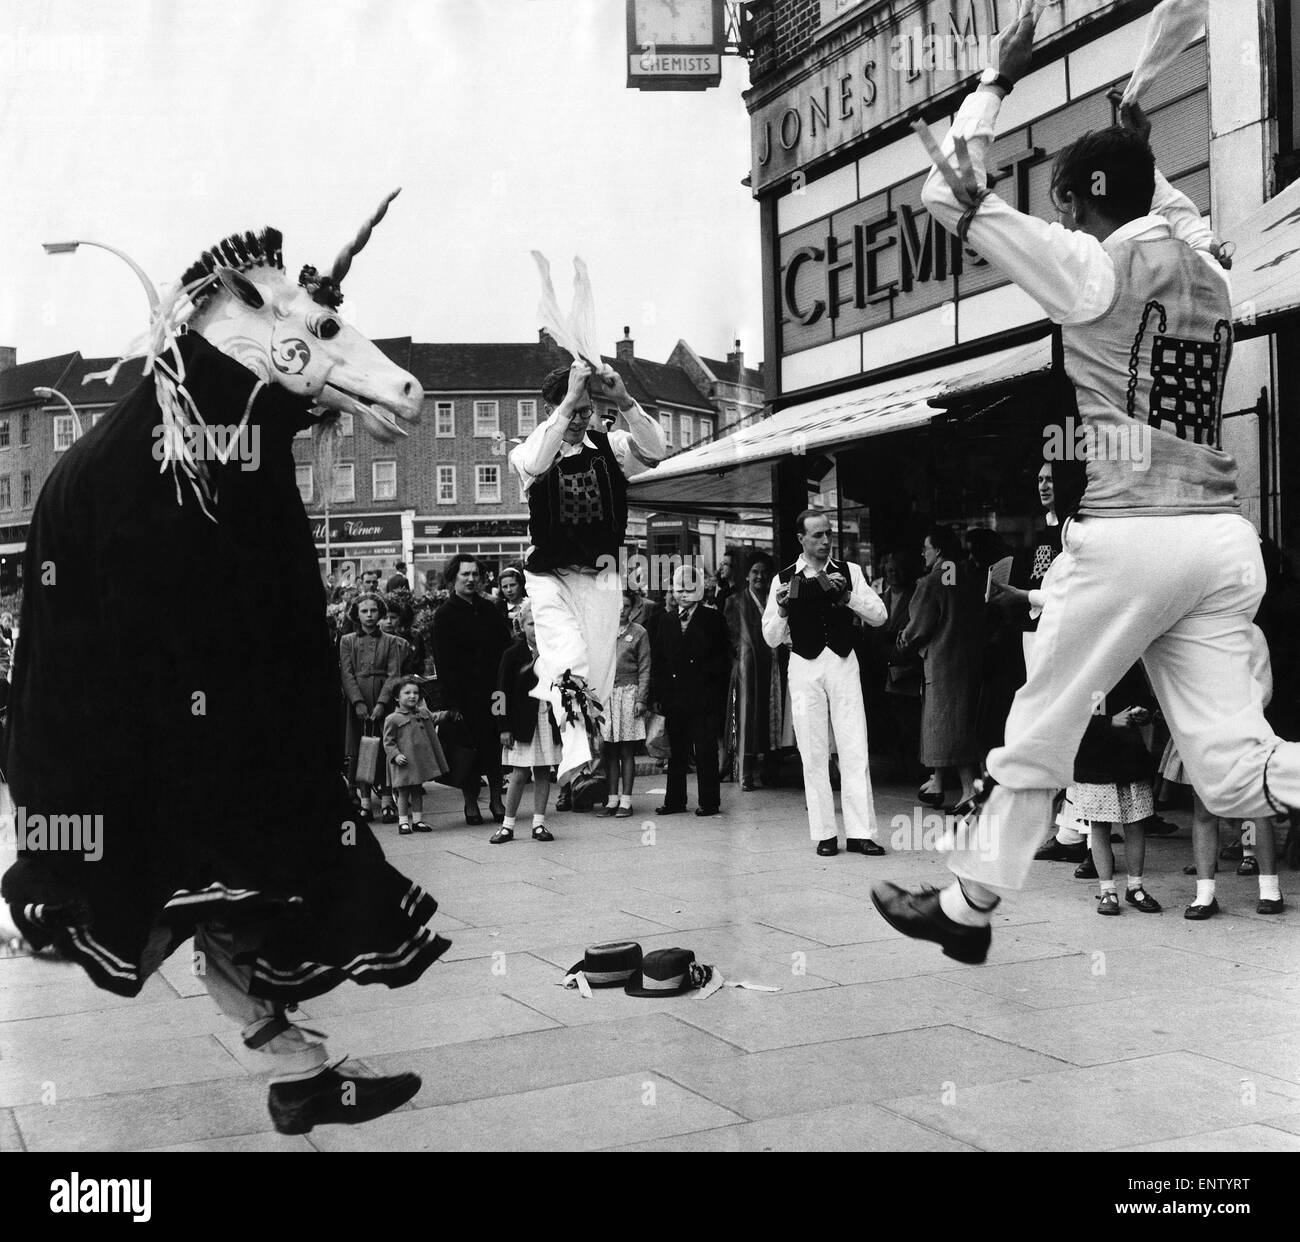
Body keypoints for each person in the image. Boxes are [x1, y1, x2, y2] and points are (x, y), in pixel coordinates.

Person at [872, 5, 1300, 964]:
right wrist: (1139, 152)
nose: (1058, 215)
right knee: (1236, 772)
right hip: (1219, 541)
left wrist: (995, 81)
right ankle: (968, 907)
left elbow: (951, 199)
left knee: (1041, 722)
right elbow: (1173, 213)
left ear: (1075, 202)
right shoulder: (1214, 274)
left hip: (1128, 536)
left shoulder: (1089, 269)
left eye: (1064, 200)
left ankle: (970, 908)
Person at [508, 359, 666, 793]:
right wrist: (570, 400)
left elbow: (656, 452)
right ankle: (575, 755)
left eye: (584, 410)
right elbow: (541, 461)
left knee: (595, 674)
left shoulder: (610, 446)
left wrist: (625, 400)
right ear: (551, 409)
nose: (579, 419)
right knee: (566, 657)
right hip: (549, 575)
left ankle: (583, 745)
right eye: (570, 409)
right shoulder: (525, 453)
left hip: (600, 576)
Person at [763, 510, 888, 855]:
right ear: (800, 539)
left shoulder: (850, 572)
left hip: (843, 662)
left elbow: (880, 616)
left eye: (828, 535)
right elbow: (771, 638)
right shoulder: (783, 579)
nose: (824, 541)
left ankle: (862, 832)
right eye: (816, 535)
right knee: (813, 751)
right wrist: (784, 610)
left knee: (854, 745)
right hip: (803, 666)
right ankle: (825, 834)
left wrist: (848, 597)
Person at [898, 526, 983, 809]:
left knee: (945, 726)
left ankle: (968, 790)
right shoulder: (966, 576)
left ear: (940, 551)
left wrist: (904, 638)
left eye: (927, 547)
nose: (923, 553)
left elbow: (919, 627)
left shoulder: (930, 582)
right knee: (955, 725)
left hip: (942, 664)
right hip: (969, 661)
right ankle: (937, 783)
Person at [432, 554, 512, 826]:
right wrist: (451, 703)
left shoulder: (491, 609)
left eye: (475, 574)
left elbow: (505, 650)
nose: (470, 579)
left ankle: (496, 801)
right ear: (454, 577)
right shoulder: (444, 615)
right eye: (465, 574)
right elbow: (443, 662)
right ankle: (470, 804)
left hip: (493, 692)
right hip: (463, 696)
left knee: (494, 747)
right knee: (468, 749)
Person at [654, 564, 732, 817]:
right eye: (679, 590)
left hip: (704, 696)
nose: (684, 595)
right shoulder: (665, 620)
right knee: (676, 751)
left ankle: (709, 801)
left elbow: (723, 658)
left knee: (705, 749)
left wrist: (712, 688)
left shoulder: (713, 618)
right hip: (675, 697)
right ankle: (674, 800)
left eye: (689, 589)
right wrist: (659, 695)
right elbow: (660, 660)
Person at [493, 600, 561, 844]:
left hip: (546, 718)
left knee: (543, 771)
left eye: (541, 623)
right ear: (521, 625)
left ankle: (539, 823)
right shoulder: (512, 654)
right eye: (532, 623)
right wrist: (503, 727)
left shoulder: (554, 651)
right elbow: (499, 693)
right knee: (519, 773)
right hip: (522, 722)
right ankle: (508, 825)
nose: (537, 628)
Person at [724, 552, 789, 790]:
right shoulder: (735, 601)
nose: (759, 576)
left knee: (772, 718)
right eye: (755, 572)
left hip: (773, 669)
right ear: (747, 576)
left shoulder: (778, 601)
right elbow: (731, 637)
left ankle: (772, 771)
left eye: (764, 572)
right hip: (748, 671)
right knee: (748, 719)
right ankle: (746, 773)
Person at [339, 592, 405, 823]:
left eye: (373, 610)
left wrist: (381, 703)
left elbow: (394, 674)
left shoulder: (390, 641)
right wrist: (357, 702)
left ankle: (387, 798)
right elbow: (346, 674)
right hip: (358, 701)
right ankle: (365, 800)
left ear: (380, 613)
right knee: (360, 750)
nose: (369, 615)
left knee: (385, 748)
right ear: (356, 614)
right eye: (364, 611)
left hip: (381, 700)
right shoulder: (347, 640)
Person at [596, 588, 652, 818]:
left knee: (627, 750)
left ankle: (626, 801)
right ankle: (611, 799)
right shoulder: (602, 632)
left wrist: (641, 699)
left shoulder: (639, 633)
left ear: (633, 608)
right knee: (609, 749)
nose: (621, 611)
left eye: (626, 606)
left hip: (628, 694)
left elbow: (646, 668)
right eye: (617, 606)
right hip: (607, 696)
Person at [383, 678, 451, 835]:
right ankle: (403, 822)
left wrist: (448, 714)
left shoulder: (422, 713)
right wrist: (395, 755)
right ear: (397, 697)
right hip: (403, 763)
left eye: (415, 693)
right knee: (403, 792)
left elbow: (434, 717)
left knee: (417, 790)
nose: (412, 696)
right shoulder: (392, 719)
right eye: (407, 693)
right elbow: (388, 742)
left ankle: (418, 820)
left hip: (417, 762)